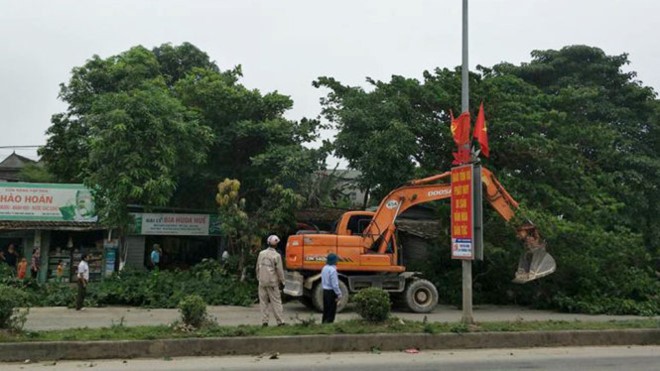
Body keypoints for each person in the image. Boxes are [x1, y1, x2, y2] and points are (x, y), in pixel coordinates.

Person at [256, 235, 285, 327]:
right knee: (276, 302)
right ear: (276, 245)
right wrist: (282, 282)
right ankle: (280, 321)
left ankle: (265, 321)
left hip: (262, 282)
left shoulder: (261, 254)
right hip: (272, 282)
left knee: (263, 302)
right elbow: (279, 270)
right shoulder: (277, 256)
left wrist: (259, 278)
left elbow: (257, 268)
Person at [321, 253, 342, 324]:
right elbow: (335, 284)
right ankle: (329, 324)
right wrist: (339, 294)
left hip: (325, 291)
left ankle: (324, 323)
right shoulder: (333, 270)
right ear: (334, 261)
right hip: (331, 292)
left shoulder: (324, 268)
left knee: (326, 309)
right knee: (331, 310)